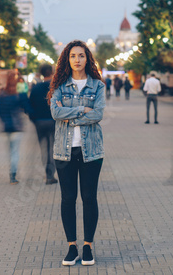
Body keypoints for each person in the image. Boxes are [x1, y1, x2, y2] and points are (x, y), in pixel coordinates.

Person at [47, 40, 105, 266]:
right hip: (64, 151)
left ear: (87, 59)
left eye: (81, 55)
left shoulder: (98, 86)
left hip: (92, 151)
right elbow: (55, 112)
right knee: (68, 199)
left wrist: (67, 113)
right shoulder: (59, 85)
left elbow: (97, 114)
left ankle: (88, 246)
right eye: (73, 56)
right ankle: (72, 246)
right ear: (67, 59)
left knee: (89, 198)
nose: (77, 60)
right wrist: (82, 109)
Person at [0, 70, 33, 185]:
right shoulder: (20, 95)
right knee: (15, 152)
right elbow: (28, 109)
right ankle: (13, 176)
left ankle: (11, 174)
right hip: (17, 127)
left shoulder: (2, 94)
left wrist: (4, 121)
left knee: (10, 151)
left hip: (7, 127)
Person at [29, 64, 58, 185]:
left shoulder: (36, 88)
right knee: (54, 148)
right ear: (51, 72)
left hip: (39, 122)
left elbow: (30, 104)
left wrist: (34, 119)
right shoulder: (56, 87)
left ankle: (48, 173)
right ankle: (51, 174)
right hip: (53, 121)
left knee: (44, 148)